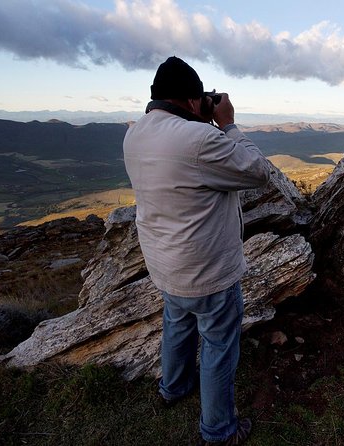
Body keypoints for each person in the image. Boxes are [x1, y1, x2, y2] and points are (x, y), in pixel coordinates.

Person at [123, 56, 272, 445]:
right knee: (219, 345)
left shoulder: (135, 134)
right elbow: (257, 171)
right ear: (192, 102)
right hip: (207, 270)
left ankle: (173, 388)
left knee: (177, 323)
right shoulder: (200, 139)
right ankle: (219, 430)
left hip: (164, 262)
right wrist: (227, 123)